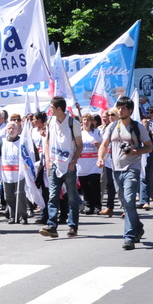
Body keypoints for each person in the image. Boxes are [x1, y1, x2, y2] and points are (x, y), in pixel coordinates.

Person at [97, 97, 152, 251]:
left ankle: (129, 237)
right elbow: (104, 145)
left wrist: (135, 151)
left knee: (129, 200)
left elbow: (149, 147)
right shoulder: (112, 126)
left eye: (123, 108)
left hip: (132, 168)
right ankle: (138, 226)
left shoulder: (138, 127)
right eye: (119, 108)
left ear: (130, 110)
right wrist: (100, 158)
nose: (120, 111)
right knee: (125, 203)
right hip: (116, 169)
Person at [39, 96, 83, 238]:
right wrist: (48, 160)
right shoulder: (50, 122)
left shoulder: (73, 123)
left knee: (72, 197)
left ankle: (73, 226)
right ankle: (52, 226)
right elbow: (47, 141)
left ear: (59, 109)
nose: (50, 110)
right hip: (54, 164)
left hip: (68, 164)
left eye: (52, 107)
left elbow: (79, 145)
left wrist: (73, 162)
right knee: (53, 196)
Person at [0, 120, 28, 224]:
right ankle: (14, 216)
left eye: (13, 128)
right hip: (7, 173)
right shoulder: (3, 142)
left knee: (19, 194)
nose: (11, 130)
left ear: (18, 130)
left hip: (20, 173)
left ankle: (23, 215)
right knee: (8, 196)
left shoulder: (22, 142)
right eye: (9, 128)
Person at [76, 113, 102, 216]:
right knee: (85, 186)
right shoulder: (79, 133)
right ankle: (88, 205)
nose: (86, 122)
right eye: (84, 120)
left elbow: (103, 146)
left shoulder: (97, 132)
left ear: (91, 122)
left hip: (94, 163)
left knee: (94, 184)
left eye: (88, 120)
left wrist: (98, 145)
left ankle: (97, 205)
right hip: (82, 163)